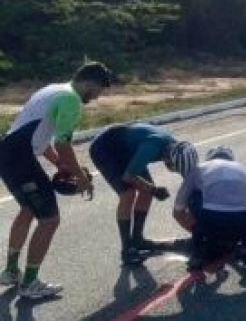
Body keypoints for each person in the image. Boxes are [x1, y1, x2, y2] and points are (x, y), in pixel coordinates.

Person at [0, 62, 111, 299]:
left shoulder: (52, 89)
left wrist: (59, 163)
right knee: (49, 220)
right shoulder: (71, 100)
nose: (97, 96)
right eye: (98, 91)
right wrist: (82, 179)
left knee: (28, 210)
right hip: (21, 159)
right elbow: (63, 143)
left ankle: (10, 272)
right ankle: (29, 284)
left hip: (7, 152)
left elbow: (40, 136)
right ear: (90, 84)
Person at [89, 123, 199, 265]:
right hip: (106, 147)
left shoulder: (177, 149)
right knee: (128, 194)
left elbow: (189, 180)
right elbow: (128, 177)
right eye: (174, 168)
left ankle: (138, 240)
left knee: (146, 192)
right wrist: (153, 190)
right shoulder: (152, 148)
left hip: (128, 149)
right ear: (169, 159)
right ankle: (127, 250)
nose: (172, 170)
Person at [173, 146, 246, 271]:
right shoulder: (245, 170)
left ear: (209, 158)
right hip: (245, 223)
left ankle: (198, 251)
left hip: (211, 223)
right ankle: (244, 245)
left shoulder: (199, 168)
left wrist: (196, 230)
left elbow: (178, 208)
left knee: (194, 196)